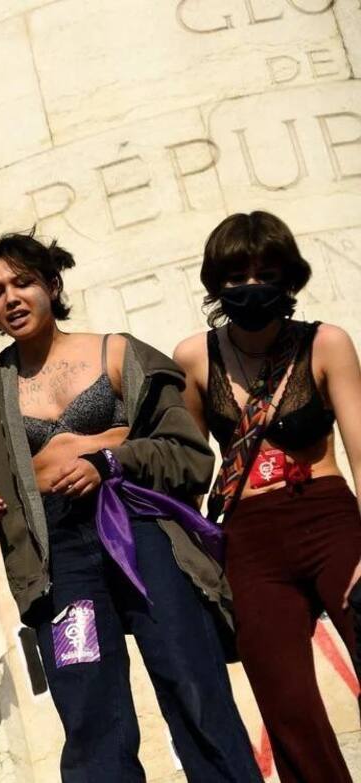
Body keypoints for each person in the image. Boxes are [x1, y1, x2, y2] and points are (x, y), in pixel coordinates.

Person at [0, 232, 261, 782]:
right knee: (91, 708)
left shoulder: (117, 353)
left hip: (143, 533)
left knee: (191, 682)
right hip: (59, 560)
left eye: (23, 282)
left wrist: (110, 461)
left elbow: (190, 454)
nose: (11, 298)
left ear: (51, 284)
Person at [173, 211, 361, 782]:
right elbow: (184, 463)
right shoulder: (193, 357)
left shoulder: (326, 343)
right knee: (288, 704)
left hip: (331, 520)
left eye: (266, 273)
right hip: (250, 539)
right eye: (236, 277)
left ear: (290, 277)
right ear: (215, 284)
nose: (251, 287)